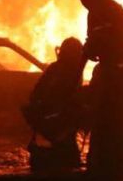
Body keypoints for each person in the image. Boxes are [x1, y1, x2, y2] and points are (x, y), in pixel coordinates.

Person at [71, 0, 123, 177]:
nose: (83, 2)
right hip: (109, 72)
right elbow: (91, 44)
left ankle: (115, 168)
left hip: (121, 75)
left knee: (116, 122)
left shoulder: (112, 11)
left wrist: (102, 47)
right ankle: (103, 165)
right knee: (102, 121)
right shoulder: (94, 14)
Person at [22, 37, 86, 172]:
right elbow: (68, 96)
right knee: (67, 156)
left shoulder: (55, 68)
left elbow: (36, 93)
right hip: (58, 121)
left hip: (50, 121)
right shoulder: (71, 71)